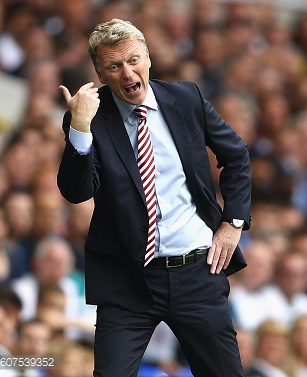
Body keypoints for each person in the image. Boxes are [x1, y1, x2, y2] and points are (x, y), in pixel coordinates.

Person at [56, 18, 251, 377]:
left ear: (148, 57)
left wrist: (233, 222)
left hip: (197, 271)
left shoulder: (186, 98)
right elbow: (76, 191)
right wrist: (80, 127)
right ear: (100, 74)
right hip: (128, 280)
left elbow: (236, 155)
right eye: (114, 66)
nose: (128, 74)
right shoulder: (89, 116)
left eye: (133, 60)